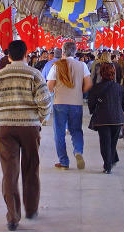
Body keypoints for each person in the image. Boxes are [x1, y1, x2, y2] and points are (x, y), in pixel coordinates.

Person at [0, 40, 51, 231]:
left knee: (9, 172)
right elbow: (46, 102)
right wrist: (40, 119)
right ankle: (31, 209)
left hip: (6, 128)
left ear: (8, 56)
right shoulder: (34, 74)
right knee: (31, 167)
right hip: (30, 127)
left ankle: (13, 217)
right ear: (26, 55)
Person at [47, 42, 92, 170]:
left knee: (59, 133)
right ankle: (78, 151)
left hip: (60, 102)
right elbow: (88, 84)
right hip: (76, 103)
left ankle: (64, 162)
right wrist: (79, 92)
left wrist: (56, 91)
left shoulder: (56, 66)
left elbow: (49, 86)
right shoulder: (82, 65)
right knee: (76, 130)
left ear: (63, 51)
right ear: (75, 51)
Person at [88, 63, 124, 174]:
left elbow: (91, 103)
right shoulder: (118, 87)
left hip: (102, 119)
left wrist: (93, 110)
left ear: (101, 73)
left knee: (105, 143)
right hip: (117, 119)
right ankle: (111, 160)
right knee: (112, 143)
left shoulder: (97, 87)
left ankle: (108, 165)